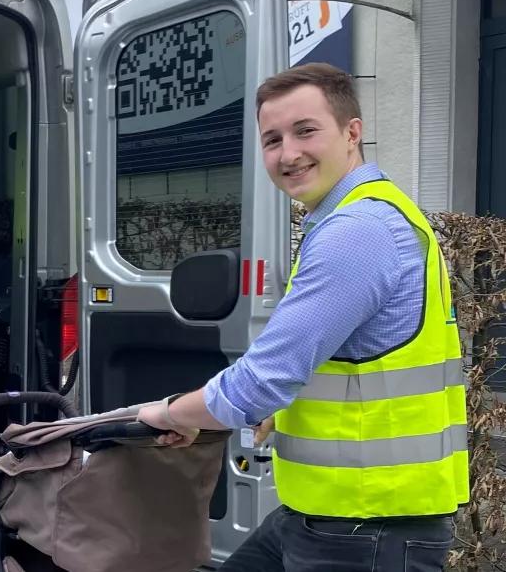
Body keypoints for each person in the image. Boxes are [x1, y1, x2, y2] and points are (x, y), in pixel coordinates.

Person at [137, 63, 468, 571]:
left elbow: (264, 379)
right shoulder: (358, 216)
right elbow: (352, 360)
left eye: (305, 131)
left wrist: (166, 412)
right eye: (272, 139)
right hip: (333, 518)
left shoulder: (358, 231)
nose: (288, 154)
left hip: (368, 531)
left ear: (352, 132)